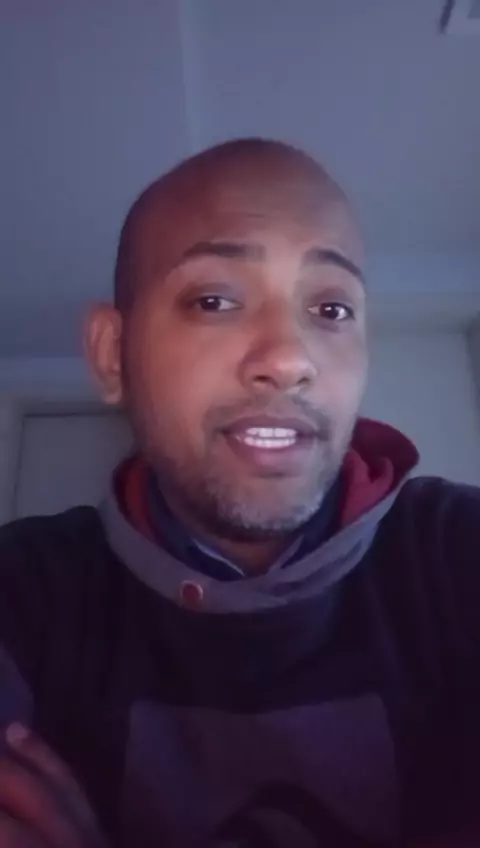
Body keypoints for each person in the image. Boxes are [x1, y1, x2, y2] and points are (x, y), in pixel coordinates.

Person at [0, 138, 478, 848]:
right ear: (111, 355)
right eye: (215, 300)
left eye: (332, 309)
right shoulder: (23, 590)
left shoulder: (460, 554)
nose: (288, 359)